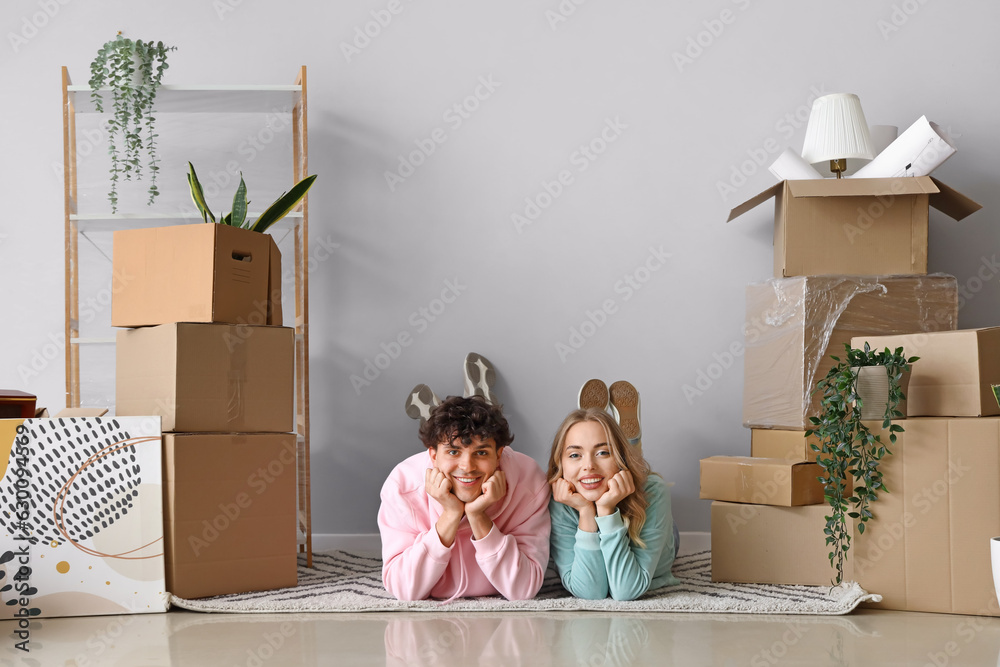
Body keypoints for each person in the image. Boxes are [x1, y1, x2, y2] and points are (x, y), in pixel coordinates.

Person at [379, 390, 551, 601]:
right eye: (453, 452)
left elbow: (523, 590)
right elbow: (404, 590)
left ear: (499, 454)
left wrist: (478, 515)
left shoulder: (529, 483)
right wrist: (451, 514)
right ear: (433, 455)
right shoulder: (403, 487)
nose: (467, 467)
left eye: (481, 452)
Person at [547, 380, 679, 601]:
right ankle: (629, 443)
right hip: (595, 498)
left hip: (662, 536)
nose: (588, 465)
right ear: (560, 464)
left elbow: (626, 590)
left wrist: (606, 510)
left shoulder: (654, 492)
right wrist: (586, 512)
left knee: (639, 475)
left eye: (603, 453)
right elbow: (590, 592)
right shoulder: (561, 497)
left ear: (619, 460)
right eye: (574, 455)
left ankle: (631, 447)